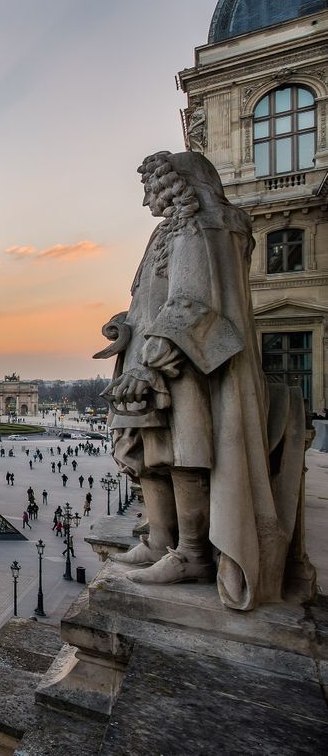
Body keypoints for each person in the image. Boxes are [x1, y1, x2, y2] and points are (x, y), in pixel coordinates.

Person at [98, 150, 314, 609]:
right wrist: (126, 326)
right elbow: (152, 301)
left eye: (152, 191)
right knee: (147, 452)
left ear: (178, 185)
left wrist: (149, 361)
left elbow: (191, 303)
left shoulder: (203, 227)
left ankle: (192, 552)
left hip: (184, 361)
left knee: (183, 455)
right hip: (150, 353)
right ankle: (161, 539)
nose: (147, 202)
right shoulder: (171, 231)